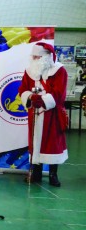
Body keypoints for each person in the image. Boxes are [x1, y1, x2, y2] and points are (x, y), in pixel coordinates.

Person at [19, 43, 68, 187]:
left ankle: (53, 174)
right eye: (33, 57)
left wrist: (43, 100)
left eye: (37, 57)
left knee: (53, 144)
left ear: (46, 57)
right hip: (35, 113)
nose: (34, 59)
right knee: (35, 143)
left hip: (52, 114)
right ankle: (36, 172)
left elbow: (59, 93)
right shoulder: (29, 71)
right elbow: (22, 89)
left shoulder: (59, 70)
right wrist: (30, 97)